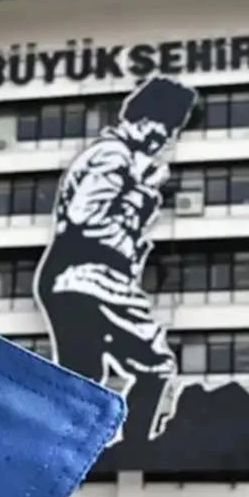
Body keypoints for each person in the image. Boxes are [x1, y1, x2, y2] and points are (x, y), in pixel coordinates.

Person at [33, 76, 199, 450]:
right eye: (165, 127)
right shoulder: (114, 156)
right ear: (144, 119)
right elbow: (85, 216)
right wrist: (138, 198)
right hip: (92, 274)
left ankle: (66, 447)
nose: (166, 138)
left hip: (68, 276)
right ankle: (136, 447)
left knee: (84, 373)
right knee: (156, 365)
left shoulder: (116, 157)